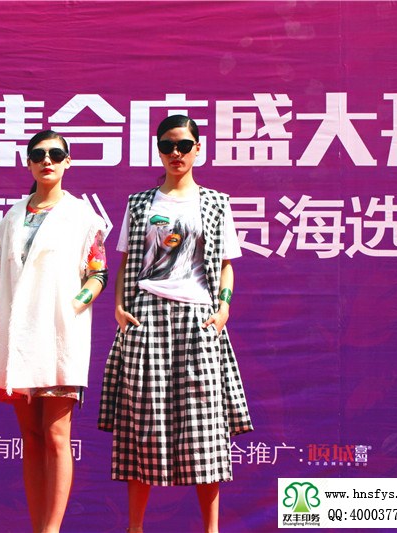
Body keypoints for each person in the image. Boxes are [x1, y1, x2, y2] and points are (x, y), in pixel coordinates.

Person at [98, 115, 253, 533]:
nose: (176, 153)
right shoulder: (140, 203)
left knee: (206, 431)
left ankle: (211, 530)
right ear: (159, 151)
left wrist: (223, 309)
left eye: (184, 145)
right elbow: (127, 261)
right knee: (142, 426)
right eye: (167, 146)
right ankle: (135, 528)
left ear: (198, 149)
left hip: (198, 318)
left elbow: (226, 264)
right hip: (147, 315)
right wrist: (119, 307)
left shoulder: (216, 203)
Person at [0, 130, 108, 533]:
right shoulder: (10, 218)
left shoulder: (82, 216)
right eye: (38, 154)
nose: (47, 161)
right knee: (31, 436)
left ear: (68, 161)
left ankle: (52, 529)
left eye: (56, 154)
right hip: (17, 337)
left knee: (56, 433)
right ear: (28, 163)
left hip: (58, 335)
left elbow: (98, 273)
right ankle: (37, 525)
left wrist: (72, 307)